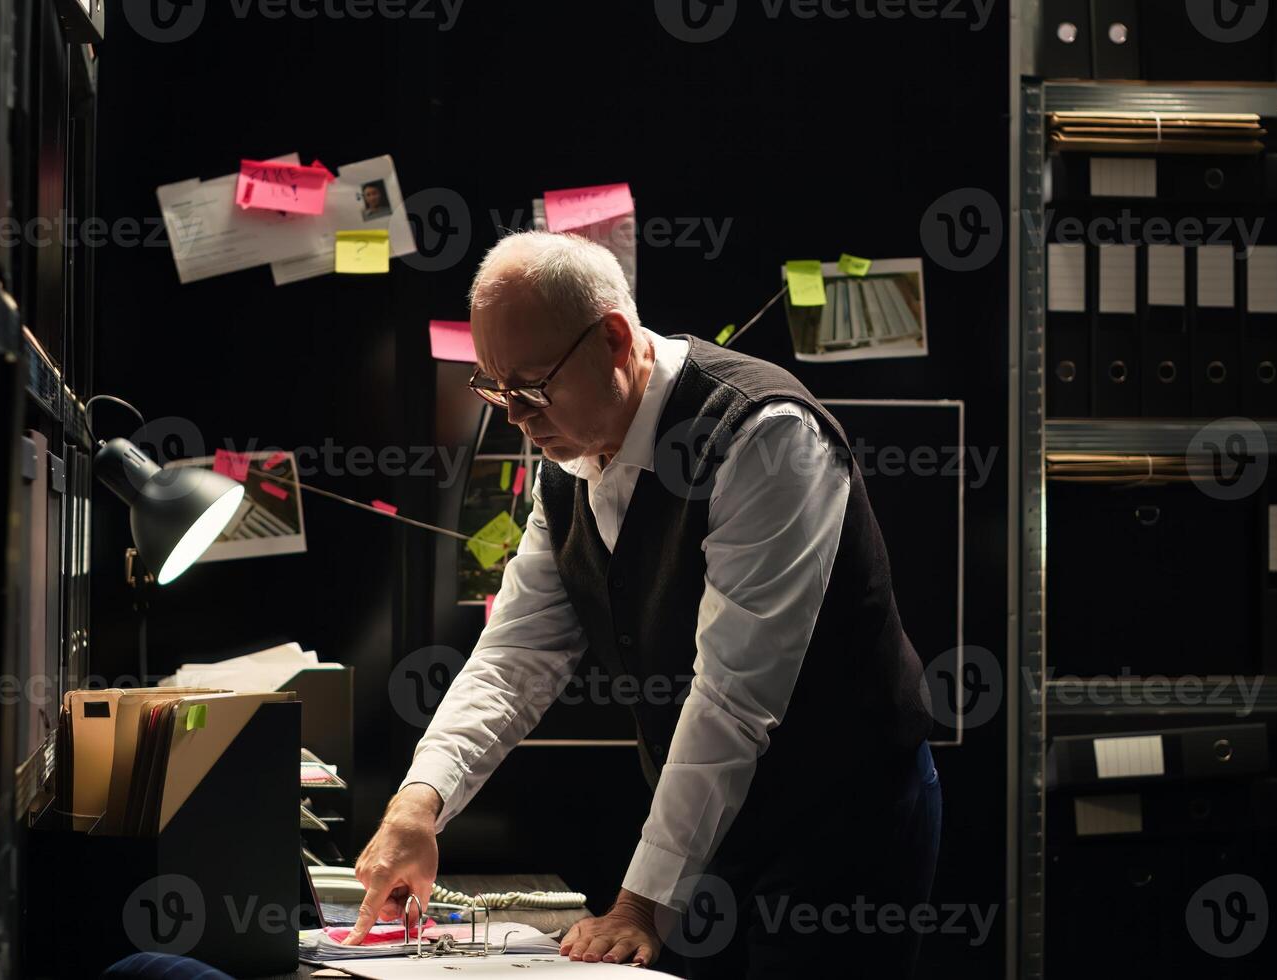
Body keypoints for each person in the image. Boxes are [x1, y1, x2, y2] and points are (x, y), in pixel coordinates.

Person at [346, 231, 942, 977]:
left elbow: (733, 696)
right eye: (495, 388)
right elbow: (514, 656)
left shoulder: (764, 436)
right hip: (709, 822)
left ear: (615, 340)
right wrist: (418, 802)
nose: (514, 417)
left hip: (842, 822)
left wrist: (640, 904)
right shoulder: (567, 457)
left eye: (531, 386)